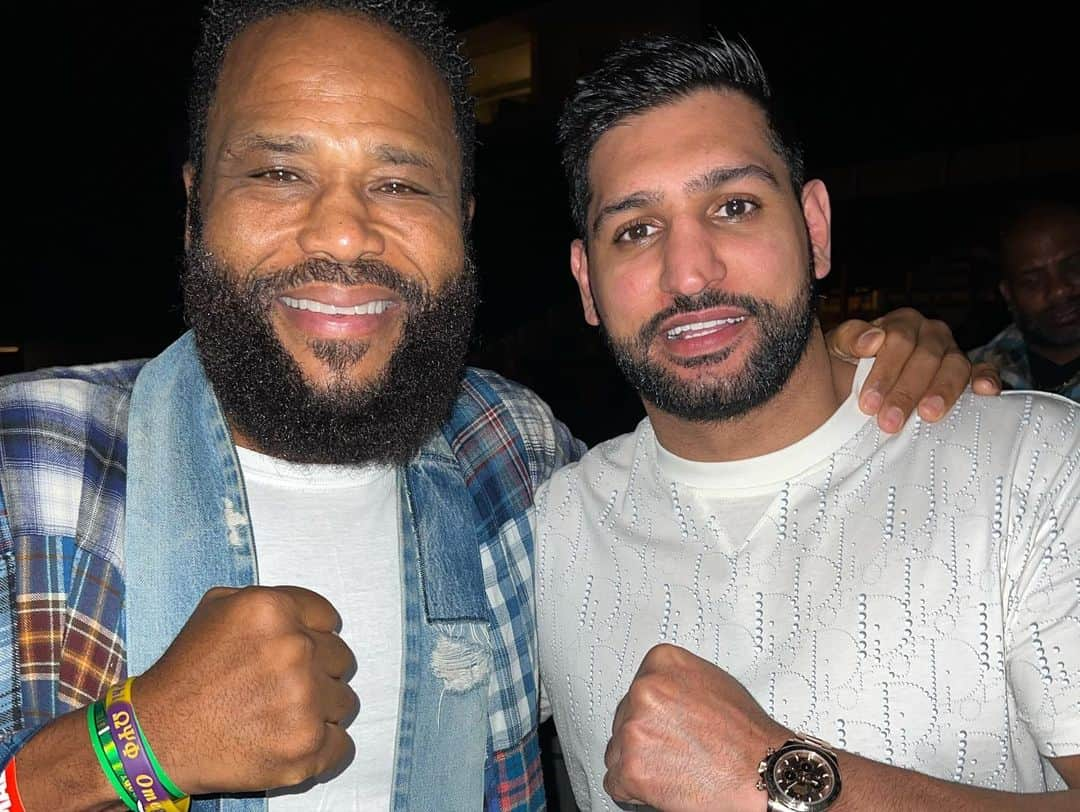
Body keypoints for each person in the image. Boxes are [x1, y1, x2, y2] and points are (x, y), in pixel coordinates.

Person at [0, 2, 988, 809]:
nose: (343, 228)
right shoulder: (27, 465)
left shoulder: (514, 455)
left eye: (399, 180)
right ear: (191, 207)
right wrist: (122, 749)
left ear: (461, 225)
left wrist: (863, 364)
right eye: (278, 171)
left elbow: (720, 452)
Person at [535, 33, 1078, 811]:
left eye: (734, 206)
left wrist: (778, 776)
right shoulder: (550, 525)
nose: (689, 272)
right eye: (636, 229)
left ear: (814, 227)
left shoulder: (1035, 468)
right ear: (588, 283)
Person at [968, 199, 1080, 400]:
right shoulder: (969, 376)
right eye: (1033, 281)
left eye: (1074, 267)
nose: (1059, 290)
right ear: (1008, 294)